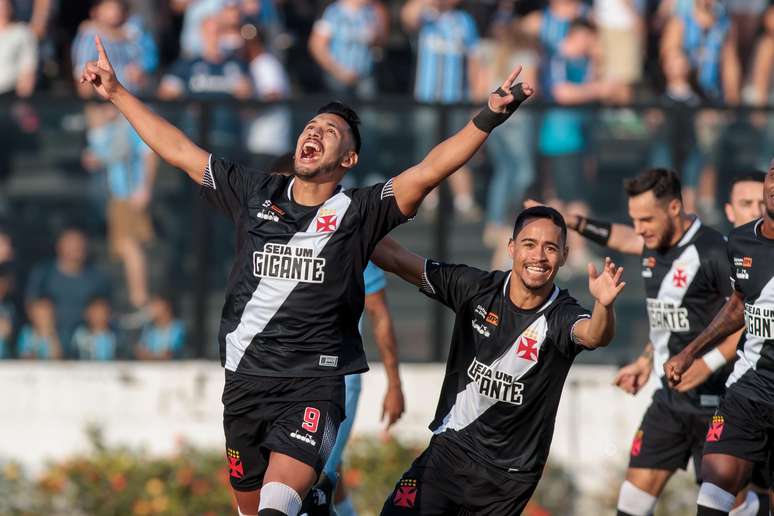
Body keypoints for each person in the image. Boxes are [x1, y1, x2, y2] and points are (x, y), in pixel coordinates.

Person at [79, 33, 532, 516]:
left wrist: (489, 117)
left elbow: (427, 171)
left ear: (348, 160)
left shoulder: (360, 212)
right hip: (244, 381)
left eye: (330, 131)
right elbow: (179, 151)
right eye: (310, 126)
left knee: (277, 508)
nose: (314, 133)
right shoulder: (255, 191)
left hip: (313, 385)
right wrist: (117, 91)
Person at [372, 206, 624, 514]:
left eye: (550, 248)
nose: (539, 256)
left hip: (508, 479)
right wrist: (346, 224)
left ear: (565, 255)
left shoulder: (562, 314)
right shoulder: (477, 289)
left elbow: (595, 335)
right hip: (448, 453)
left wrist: (604, 306)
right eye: (529, 244)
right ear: (511, 248)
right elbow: (398, 260)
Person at [529, 168, 743, 516]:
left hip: (720, 402)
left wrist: (707, 363)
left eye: (647, 219)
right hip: (670, 402)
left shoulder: (713, 251)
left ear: (675, 208)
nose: (640, 229)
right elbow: (623, 239)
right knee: (631, 504)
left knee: (729, 506)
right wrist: (646, 360)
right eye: (634, 219)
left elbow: (747, 315)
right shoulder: (652, 243)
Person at [664, 159, 774, 516]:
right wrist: (691, 353)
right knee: (714, 488)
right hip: (748, 390)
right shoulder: (742, 242)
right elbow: (737, 305)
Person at [301, 261, 405, 516]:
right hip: (295, 381)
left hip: (336, 384)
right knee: (330, 484)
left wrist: (394, 384)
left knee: (313, 487)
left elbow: (378, 312)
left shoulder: (355, 241)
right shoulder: (295, 236)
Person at [25, 228, 110, 358]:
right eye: (71, 243)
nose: (76, 247)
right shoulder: (44, 274)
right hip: (49, 337)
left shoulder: (96, 277)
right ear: (59, 246)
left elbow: (102, 310)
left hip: (85, 341)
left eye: (80, 243)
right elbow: (32, 303)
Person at [308, 0, 388, 98]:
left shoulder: (371, 11)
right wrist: (339, 72)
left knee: (368, 111)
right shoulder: (332, 12)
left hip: (365, 76)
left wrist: (377, 33)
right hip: (337, 79)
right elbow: (317, 46)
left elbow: (381, 41)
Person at [135, 294, 185, 360]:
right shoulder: (148, 329)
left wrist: (150, 356)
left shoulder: (178, 327)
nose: (153, 310)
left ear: (167, 307)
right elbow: (140, 352)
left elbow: (168, 354)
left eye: (157, 306)